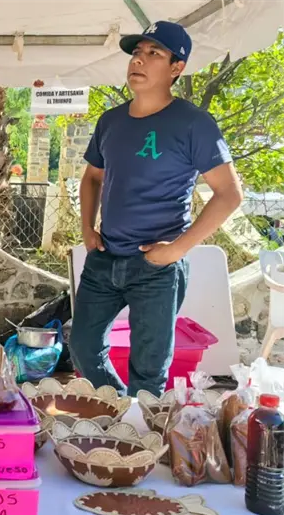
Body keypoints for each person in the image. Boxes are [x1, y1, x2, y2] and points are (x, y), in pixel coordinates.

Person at [69, 21, 243, 397]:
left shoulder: (194, 124)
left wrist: (177, 250)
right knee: (82, 349)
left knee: (148, 372)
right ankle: (120, 409)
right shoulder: (110, 120)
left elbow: (229, 194)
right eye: (137, 52)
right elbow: (92, 178)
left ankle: (137, 437)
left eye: (154, 54)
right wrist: (86, 226)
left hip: (156, 267)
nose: (140, 61)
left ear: (176, 68)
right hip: (105, 258)